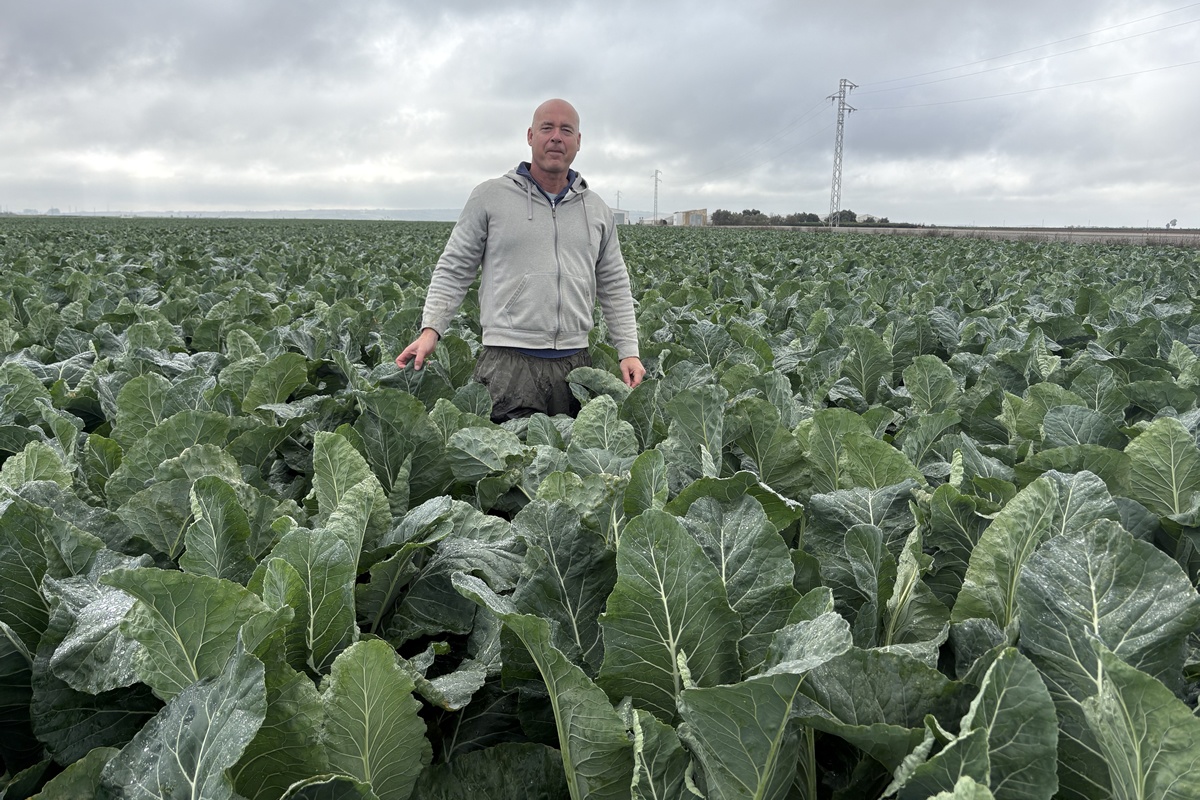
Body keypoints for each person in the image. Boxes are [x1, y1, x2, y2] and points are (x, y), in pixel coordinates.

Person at [395, 98, 645, 421]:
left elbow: (615, 285)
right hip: (507, 365)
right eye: (547, 128)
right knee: (507, 468)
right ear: (530, 136)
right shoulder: (490, 197)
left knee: (573, 469)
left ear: (579, 142)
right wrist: (431, 329)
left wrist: (629, 352)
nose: (556, 137)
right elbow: (454, 268)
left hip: (576, 366)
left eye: (566, 130)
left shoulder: (596, 210)